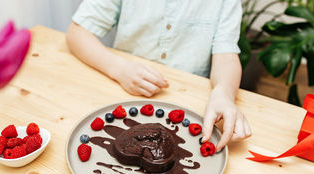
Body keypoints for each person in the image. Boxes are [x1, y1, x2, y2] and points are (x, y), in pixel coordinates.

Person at [66, 0, 251, 152]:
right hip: (121, 95)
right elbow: (77, 33)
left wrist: (224, 94)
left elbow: (226, 56)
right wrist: (119, 69)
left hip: (189, 105)